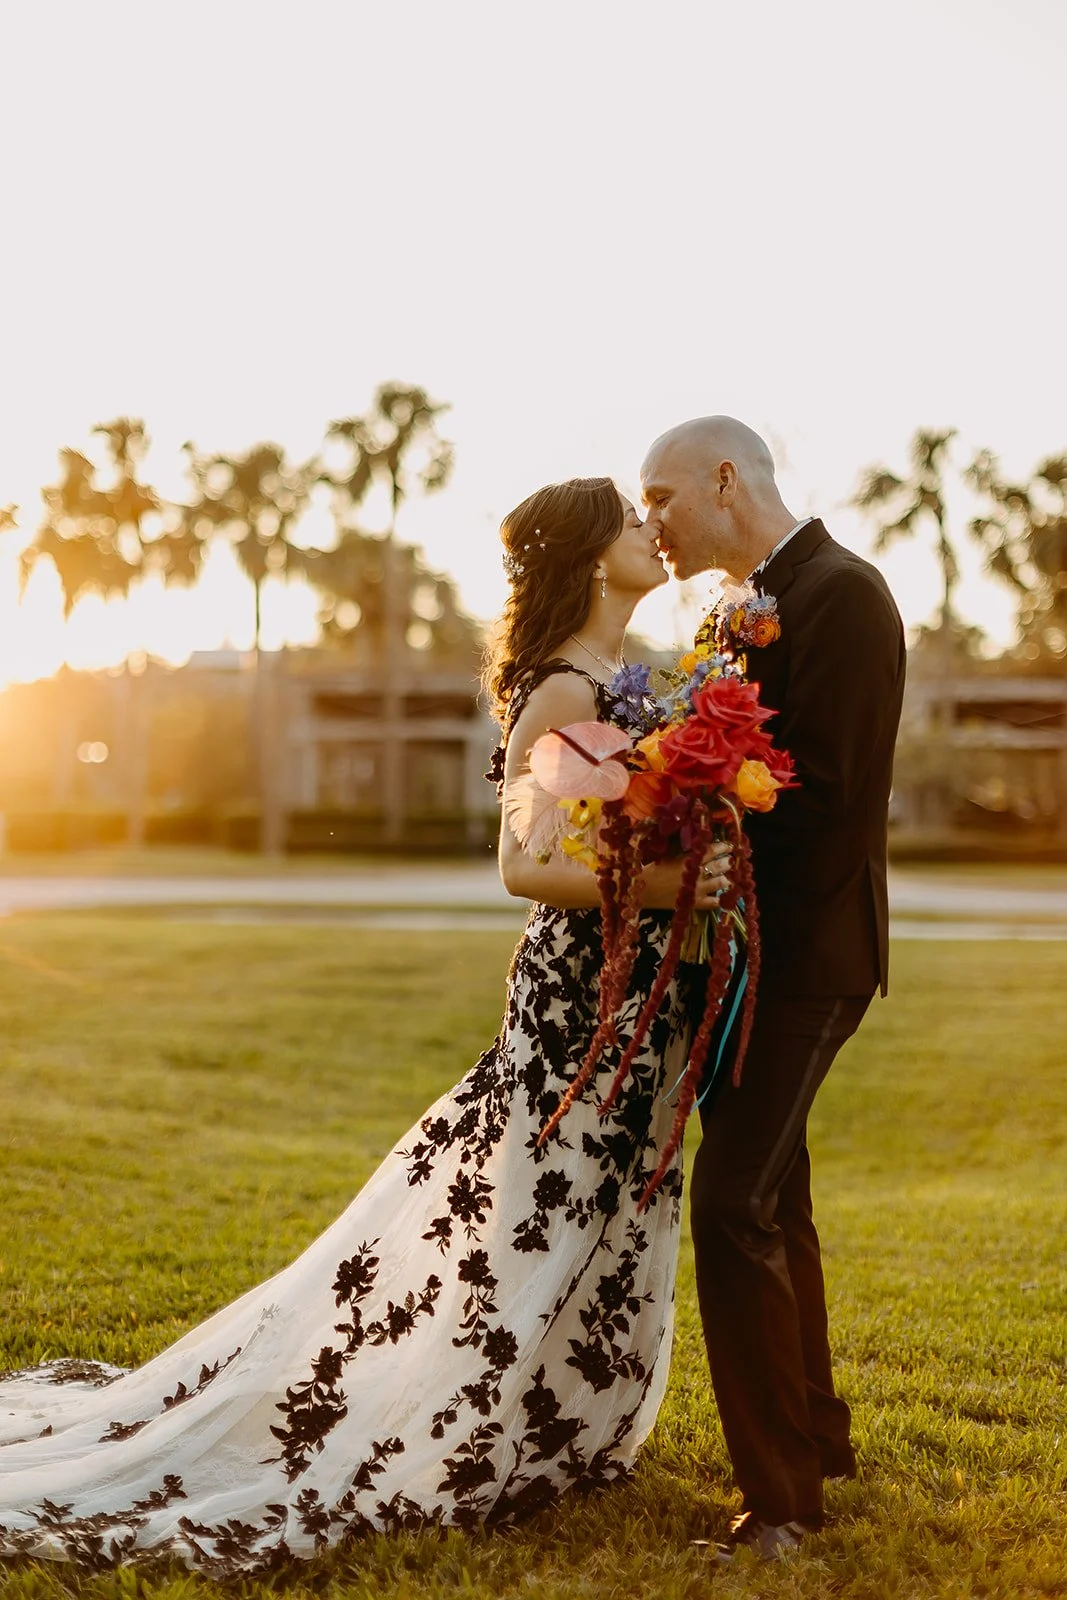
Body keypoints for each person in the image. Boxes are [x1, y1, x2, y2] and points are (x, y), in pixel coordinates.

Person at [0, 477, 728, 1577]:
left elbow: (607, 832)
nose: (650, 530)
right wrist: (672, 884)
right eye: (630, 519)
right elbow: (525, 864)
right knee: (551, 1193)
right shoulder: (564, 691)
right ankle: (473, 1412)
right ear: (589, 555)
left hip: (642, 987)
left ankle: (557, 1417)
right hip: (581, 992)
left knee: (614, 1191)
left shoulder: (630, 682)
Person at [641, 417, 906, 1565]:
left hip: (808, 955)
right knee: (774, 1197)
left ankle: (781, 1505)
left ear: (722, 479)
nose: (649, 522)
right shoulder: (735, 610)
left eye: (659, 498)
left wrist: (708, 829)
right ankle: (815, 1444)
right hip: (747, 954)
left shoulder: (843, 595)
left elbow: (833, 804)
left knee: (731, 1201)